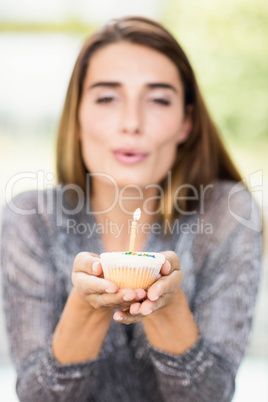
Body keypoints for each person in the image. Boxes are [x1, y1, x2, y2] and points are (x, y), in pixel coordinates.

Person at [1, 16, 261, 402]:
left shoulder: (227, 215)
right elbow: (38, 396)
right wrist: (86, 308)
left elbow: (210, 397)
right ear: (76, 117)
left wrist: (166, 307)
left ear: (186, 122)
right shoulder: (31, 219)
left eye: (158, 99)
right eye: (107, 98)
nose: (132, 122)